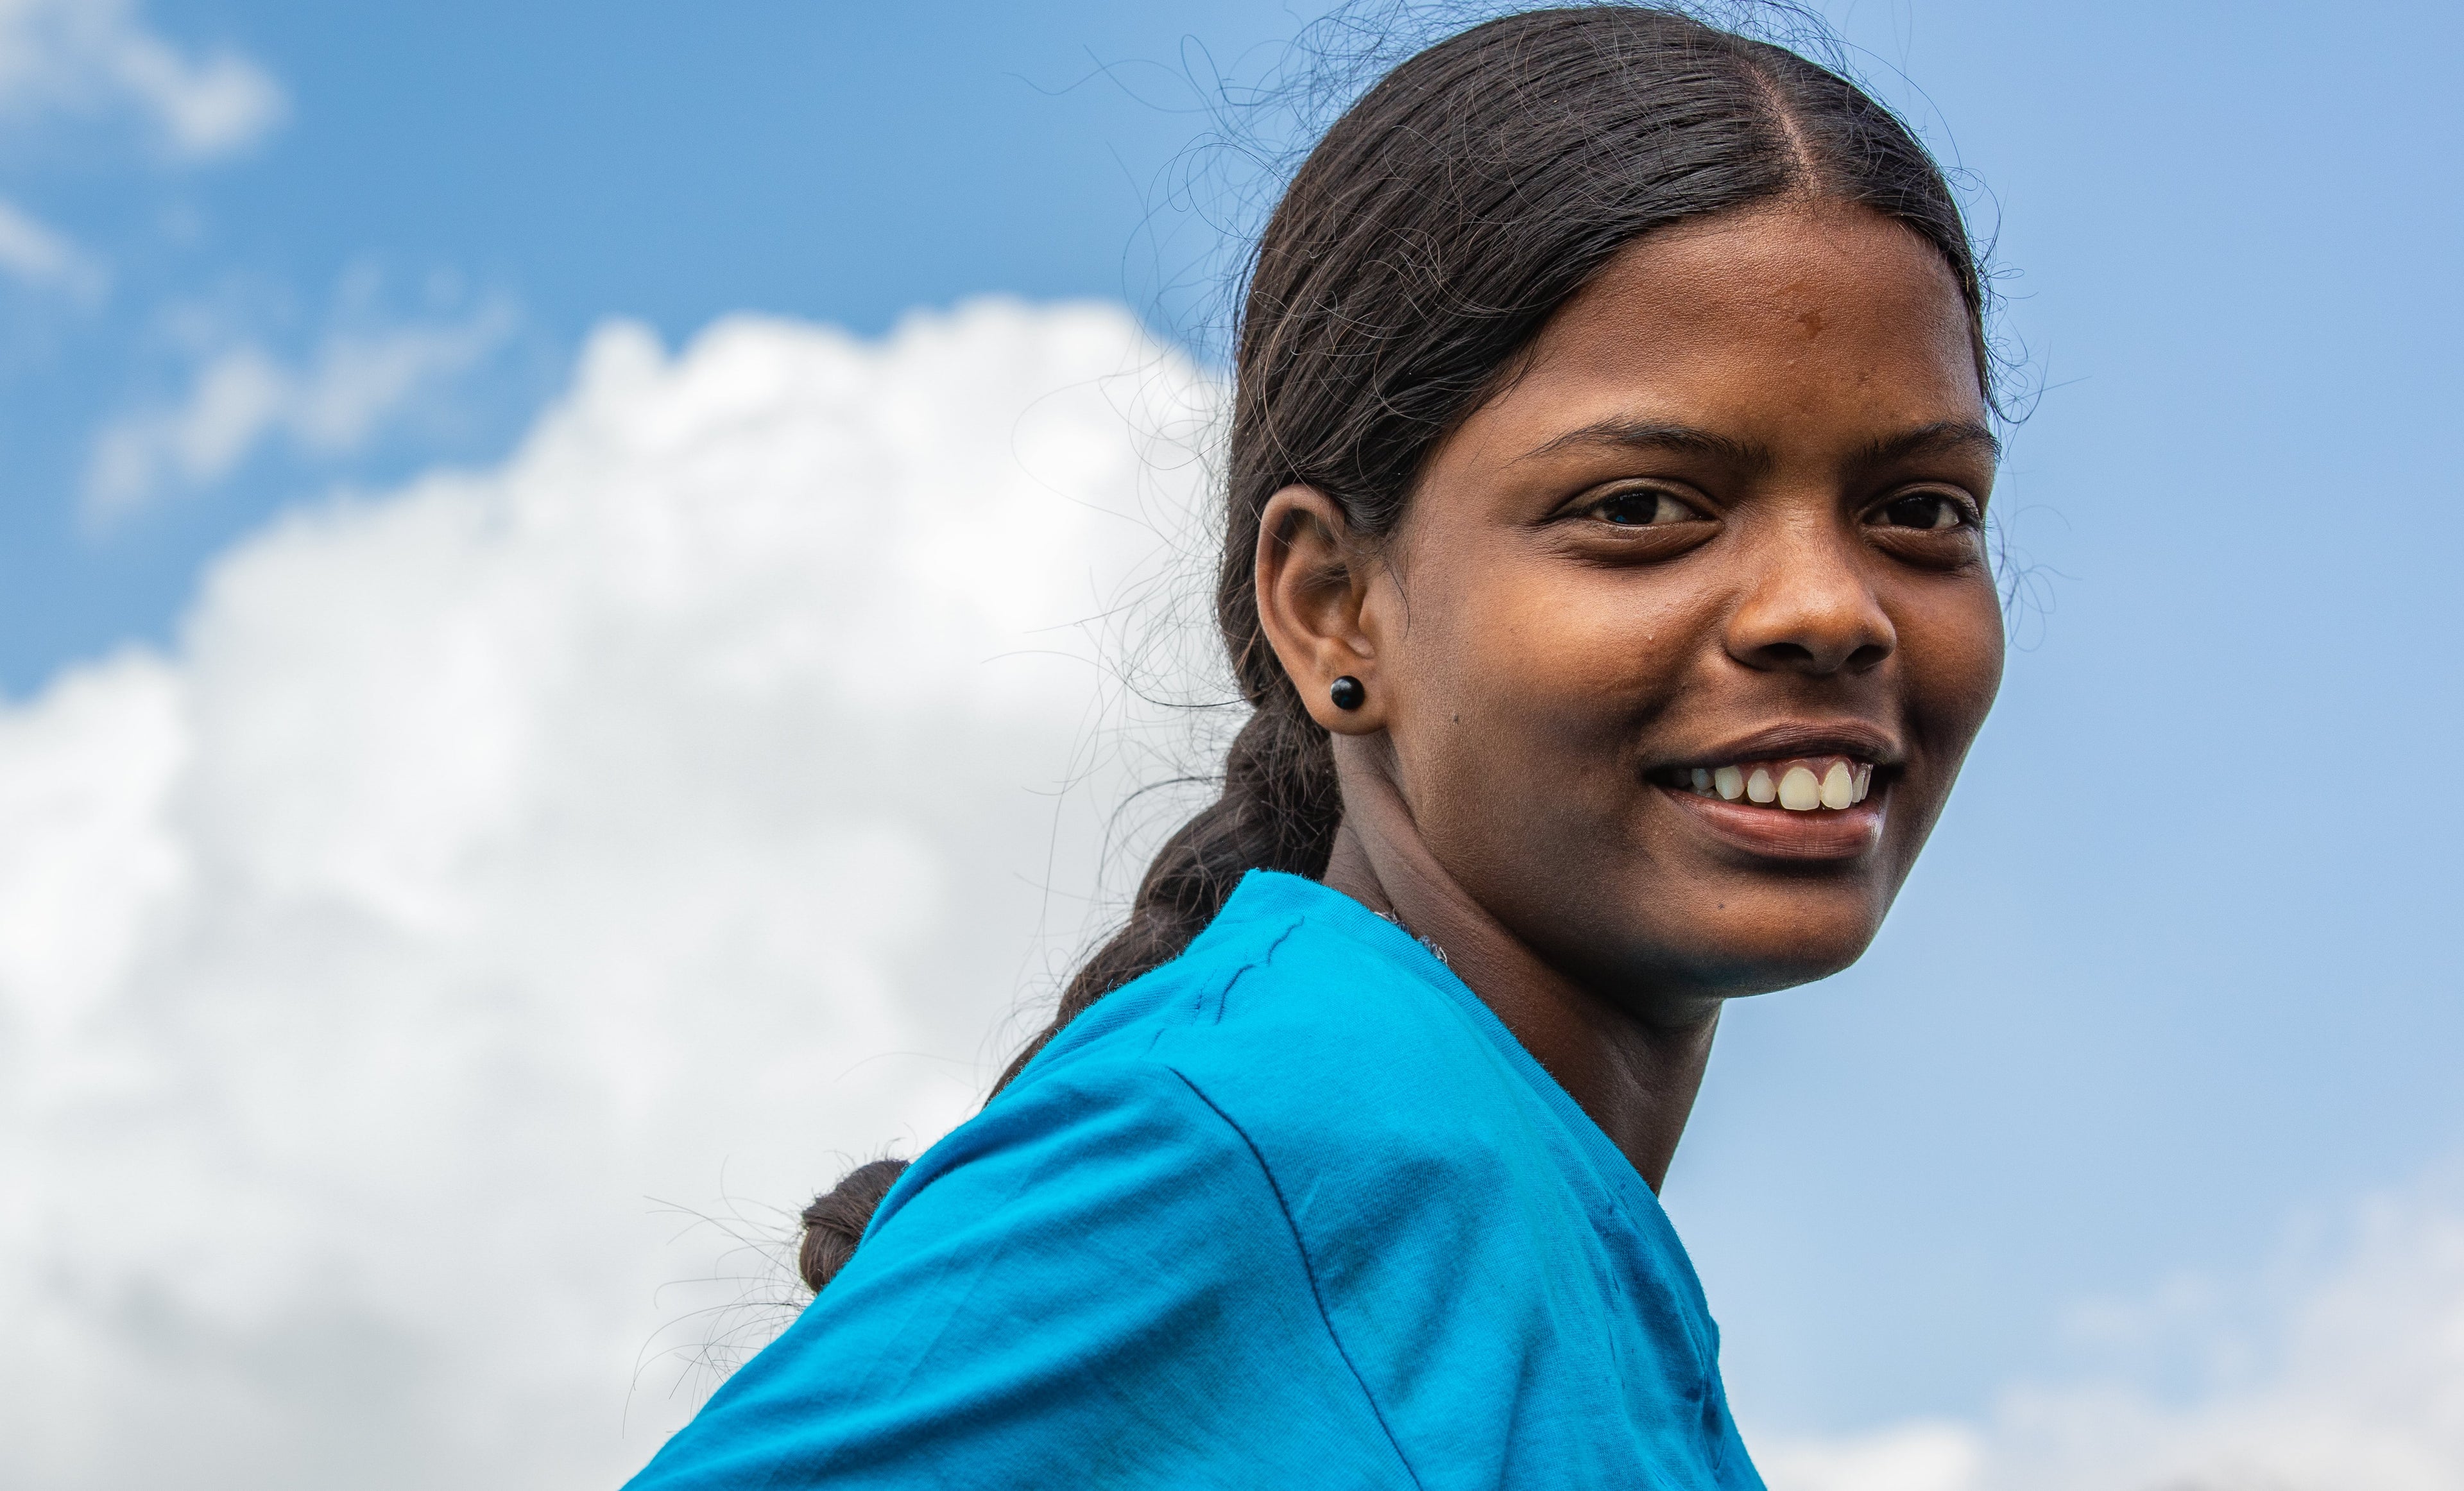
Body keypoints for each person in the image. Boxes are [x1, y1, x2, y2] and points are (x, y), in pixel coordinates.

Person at [626, 5, 2004, 1487]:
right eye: (1642, 508)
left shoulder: (1522, 1237)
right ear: (1333, 607)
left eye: (1921, 510)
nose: (1828, 607)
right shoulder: (1270, 1143)